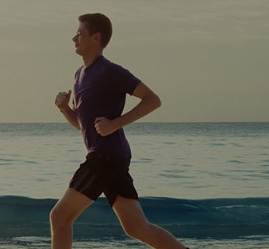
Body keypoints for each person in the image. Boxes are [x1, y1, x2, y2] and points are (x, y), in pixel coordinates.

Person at [50, 13, 188, 249]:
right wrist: (64, 108)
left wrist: (115, 124)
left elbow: (152, 100)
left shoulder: (110, 71)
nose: (74, 38)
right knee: (136, 227)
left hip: (105, 156)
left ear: (96, 38)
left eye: (80, 34)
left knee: (60, 217)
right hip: (114, 157)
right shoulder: (78, 75)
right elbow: (80, 126)